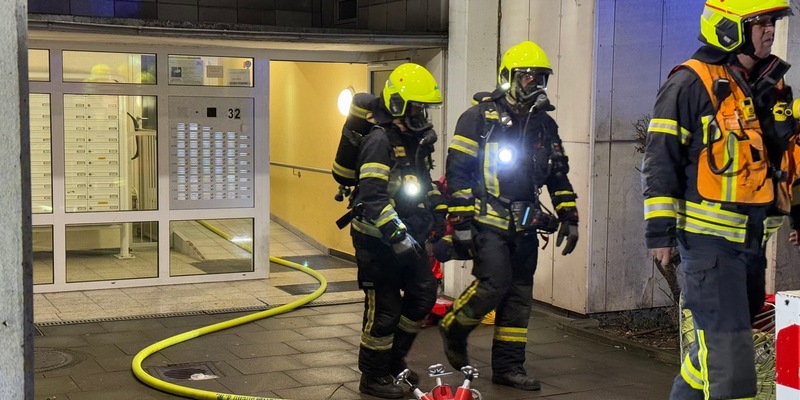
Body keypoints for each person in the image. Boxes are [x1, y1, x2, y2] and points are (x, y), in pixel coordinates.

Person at [641, 1, 800, 398]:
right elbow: (660, 157)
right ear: (729, 28)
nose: (769, 31)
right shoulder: (689, 83)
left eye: (772, 22)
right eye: (760, 22)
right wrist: (659, 232)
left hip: (751, 243)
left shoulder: (772, 85)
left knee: (711, 355)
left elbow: (786, 158)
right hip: (709, 247)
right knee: (732, 370)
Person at [439, 40, 580, 391]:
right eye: (528, 77)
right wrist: (461, 222)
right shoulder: (478, 118)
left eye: (541, 78)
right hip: (488, 222)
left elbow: (557, 175)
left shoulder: (544, 126)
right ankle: (454, 327)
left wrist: (569, 217)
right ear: (508, 77)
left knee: (518, 298)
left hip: (525, 226)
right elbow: (457, 172)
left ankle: (508, 368)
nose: (535, 85)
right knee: (494, 285)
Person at [348, 62, 447, 398]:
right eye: (417, 107)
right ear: (397, 104)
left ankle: (393, 361)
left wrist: (439, 217)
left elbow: (424, 183)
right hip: (377, 242)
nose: (422, 114)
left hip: (409, 238)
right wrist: (397, 234)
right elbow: (373, 197)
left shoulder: (416, 141)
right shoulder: (379, 140)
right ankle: (373, 377)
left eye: (425, 108)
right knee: (385, 308)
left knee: (423, 294)